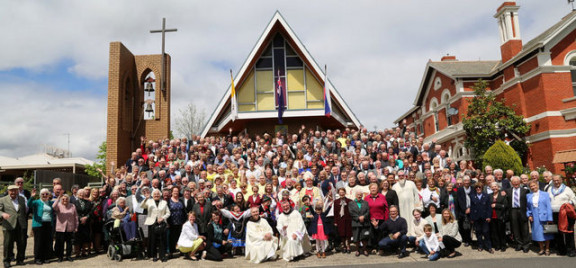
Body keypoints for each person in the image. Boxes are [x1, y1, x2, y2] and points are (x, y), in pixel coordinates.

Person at [547, 174, 576, 257]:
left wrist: (568, 204)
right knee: (558, 232)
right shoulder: (549, 189)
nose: (556, 182)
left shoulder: (567, 189)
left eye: (558, 180)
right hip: (554, 213)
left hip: (566, 213)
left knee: (568, 231)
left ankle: (571, 250)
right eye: (554, 180)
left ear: (561, 180)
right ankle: (561, 250)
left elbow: (574, 199)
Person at [0, 185, 28, 267]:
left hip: (21, 224)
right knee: (8, 244)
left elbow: (24, 211)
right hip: (9, 224)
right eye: (11, 191)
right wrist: (2, 214)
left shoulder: (22, 199)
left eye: (15, 190)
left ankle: (20, 260)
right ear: (8, 191)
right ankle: (6, 261)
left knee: (22, 243)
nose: (13, 192)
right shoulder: (2, 200)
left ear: (18, 191)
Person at [141, 188, 171, 262]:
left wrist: (163, 218)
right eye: (155, 194)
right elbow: (142, 206)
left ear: (160, 195)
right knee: (153, 240)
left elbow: (168, 213)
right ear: (152, 195)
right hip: (152, 223)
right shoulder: (149, 201)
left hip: (161, 223)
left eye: (158, 194)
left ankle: (162, 256)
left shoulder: (164, 202)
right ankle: (154, 256)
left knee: (162, 240)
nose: (156, 195)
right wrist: (146, 198)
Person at [527, 180, 554, 256]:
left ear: (537, 185)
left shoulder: (545, 194)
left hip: (544, 216)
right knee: (538, 233)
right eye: (531, 186)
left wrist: (550, 218)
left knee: (546, 233)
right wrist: (529, 215)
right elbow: (528, 207)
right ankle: (541, 249)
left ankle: (547, 249)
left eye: (534, 185)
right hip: (535, 217)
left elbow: (548, 206)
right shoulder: (528, 195)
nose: (533, 187)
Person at [28, 188, 54, 264]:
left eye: (46, 194)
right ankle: (38, 258)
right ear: (40, 195)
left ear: (49, 195)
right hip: (38, 224)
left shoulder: (50, 203)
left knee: (47, 241)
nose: (45, 195)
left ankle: (45, 257)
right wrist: (32, 197)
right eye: (43, 194)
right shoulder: (36, 202)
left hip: (48, 224)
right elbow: (29, 204)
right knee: (39, 242)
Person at [506, 176, 530, 253]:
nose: (516, 183)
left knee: (525, 228)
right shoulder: (508, 191)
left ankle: (526, 245)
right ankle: (519, 244)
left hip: (522, 210)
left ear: (520, 182)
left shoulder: (525, 191)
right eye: (514, 182)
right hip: (513, 210)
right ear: (511, 183)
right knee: (515, 229)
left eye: (517, 181)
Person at [52, 194, 78, 262]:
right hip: (60, 228)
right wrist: (58, 198)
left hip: (70, 227)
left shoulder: (72, 206)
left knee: (69, 243)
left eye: (66, 199)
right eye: (63, 199)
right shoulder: (59, 205)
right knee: (60, 243)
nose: (65, 200)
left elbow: (75, 217)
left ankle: (68, 256)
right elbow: (53, 206)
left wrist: (76, 226)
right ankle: (60, 257)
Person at [365, 183, 388, 251]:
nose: (373, 189)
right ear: (369, 189)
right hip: (370, 219)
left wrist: (386, 219)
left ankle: (380, 248)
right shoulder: (366, 198)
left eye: (375, 188)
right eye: (372, 188)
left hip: (381, 218)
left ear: (378, 189)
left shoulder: (382, 197)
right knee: (371, 234)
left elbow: (386, 209)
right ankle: (373, 248)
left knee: (380, 234)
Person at [470, 183, 493, 253]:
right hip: (476, 217)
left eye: (479, 187)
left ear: (482, 188)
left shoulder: (486, 196)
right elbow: (472, 208)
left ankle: (489, 247)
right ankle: (480, 246)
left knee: (486, 232)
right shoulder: (472, 196)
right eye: (477, 187)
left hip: (485, 217)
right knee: (478, 232)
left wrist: (489, 216)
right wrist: (471, 218)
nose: (478, 189)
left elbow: (489, 207)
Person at [349, 189, 370, 257]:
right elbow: (351, 212)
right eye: (358, 195)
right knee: (356, 238)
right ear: (355, 195)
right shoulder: (351, 203)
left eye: (361, 195)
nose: (359, 196)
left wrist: (363, 217)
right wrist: (358, 218)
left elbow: (368, 211)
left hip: (364, 222)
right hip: (356, 223)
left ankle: (364, 249)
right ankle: (357, 250)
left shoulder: (365, 203)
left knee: (364, 237)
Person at [167, 186, 186, 257]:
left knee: (180, 237)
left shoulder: (181, 200)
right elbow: (167, 212)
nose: (175, 192)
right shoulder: (168, 201)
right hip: (172, 223)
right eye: (174, 191)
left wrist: (184, 221)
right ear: (171, 192)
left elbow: (184, 211)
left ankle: (182, 251)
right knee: (172, 238)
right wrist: (168, 222)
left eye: (177, 191)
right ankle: (171, 252)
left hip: (180, 222)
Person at [489, 182, 508, 251]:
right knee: (494, 232)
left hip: (500, 216)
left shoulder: (503, 194)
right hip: (492, 217)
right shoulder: (489, 195)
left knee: (501, 232)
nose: (494, 188)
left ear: (498, 187)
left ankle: (503, 245)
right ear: (491, 188)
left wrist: (496, 205)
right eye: (492, 187)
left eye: (495, 186)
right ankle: (497, 245)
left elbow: (505, 205)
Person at [74, 189, 93, 258]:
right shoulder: (74, 202)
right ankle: (77, 252)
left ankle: (84, 252)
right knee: (77, 237)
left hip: (86, 222)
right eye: (80, 194)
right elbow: (74, 212)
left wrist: (86, 217)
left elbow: (91, 212)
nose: (81, 195)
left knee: (85, 236)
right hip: (77, 222)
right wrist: (80, 218)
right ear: (77, 194)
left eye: (83, 194)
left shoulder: (88, 202)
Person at [456, 176, 473, 247]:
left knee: (470, 226)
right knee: (464, 227)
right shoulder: (460, 190)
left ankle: (470, 239)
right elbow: (459, 201)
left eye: (468, 181)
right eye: (465, 181)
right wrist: (465, 209)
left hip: (472, 210)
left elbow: (474, 200)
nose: (466, 182)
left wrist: (470, 208)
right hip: (462, 211)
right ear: (463, 182)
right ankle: (466, 240)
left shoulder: (473, 189)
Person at [334, 188, 352, 253]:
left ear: (345, 193)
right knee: (342, 234)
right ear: (338, 193)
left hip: (348, 219)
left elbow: (351, 211)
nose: (341, 193)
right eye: (340, 192)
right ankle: (344, 246)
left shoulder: (349, 201)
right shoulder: (336, 202)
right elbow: (335, 212)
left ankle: (348, 246)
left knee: (348, 234)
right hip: (340, 220)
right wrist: (335, 221)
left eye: (343, 192)